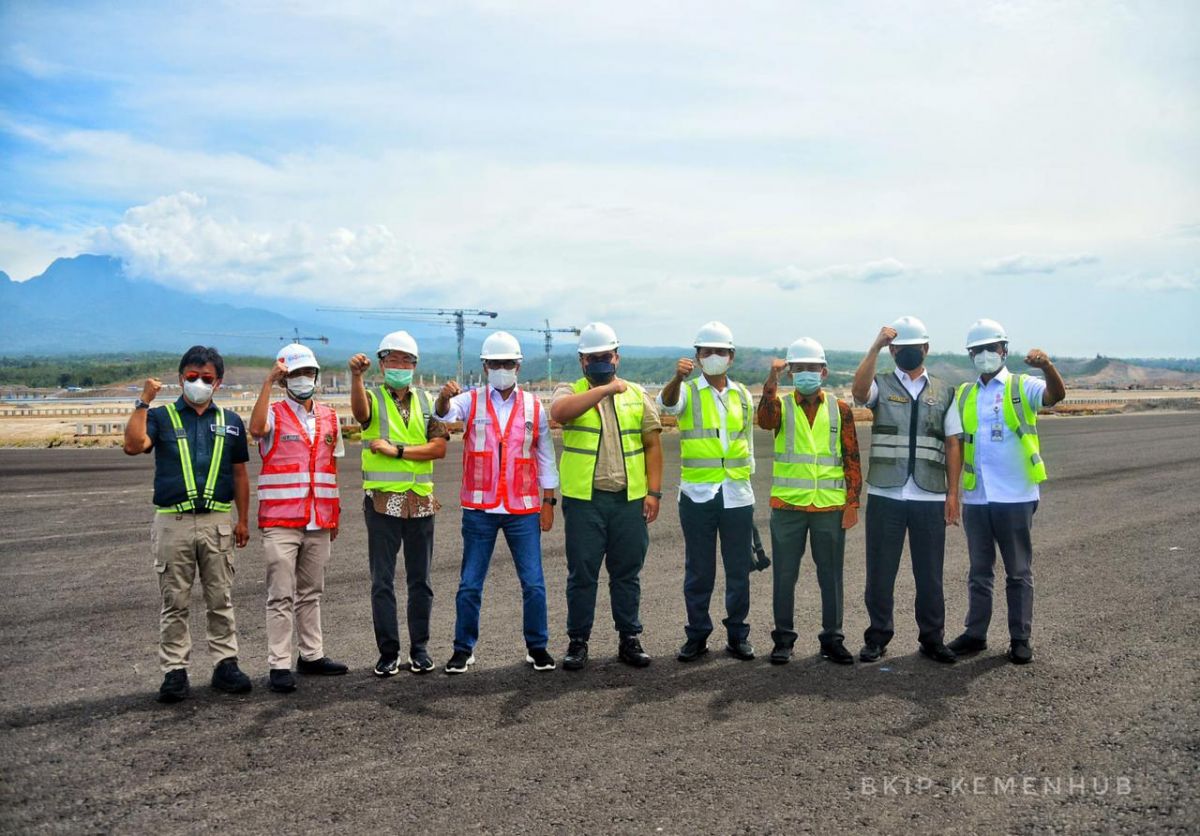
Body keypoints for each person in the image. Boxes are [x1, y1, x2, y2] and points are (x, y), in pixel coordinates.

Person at [123, 345, 253, 703]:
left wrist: (243, 520)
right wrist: (142, 402)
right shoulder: (161, 417)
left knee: (220, 598)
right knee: (174, 600)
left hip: (217, 521)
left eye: (206, 378)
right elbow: (134, 445)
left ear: (219, 382)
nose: (198, 383)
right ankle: (175, 671)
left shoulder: (231, 422)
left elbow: (240, 473)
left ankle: (225, 664)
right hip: (173, 522)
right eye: (191, 377)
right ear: (180, 378)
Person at [434, 332, 560, 674]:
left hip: (523, 509)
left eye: (507, 363)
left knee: (533, 583)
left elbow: (545, 456)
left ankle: (538, 647)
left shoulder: (535, 406)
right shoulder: (470, 401)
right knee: (470, 584)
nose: (501, 369)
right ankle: (463, 648)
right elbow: (443, 416)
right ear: (485, 366)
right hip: (480, 509)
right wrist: (443, 399)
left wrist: (549, 500)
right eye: (495, 364)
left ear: (518, 366)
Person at [946, 319, 1066, 665]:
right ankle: (975, 633)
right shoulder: (966, 394)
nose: (985, 355)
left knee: (1017, 570)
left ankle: (1020, 637)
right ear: (970, 355)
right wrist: (953, 493)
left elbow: (1054, 397)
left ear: (1004, 351)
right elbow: (954, 443)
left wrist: (1047, 366)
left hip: (1015, 495)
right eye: (977, 350)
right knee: (979, 571)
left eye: (991, 348)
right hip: (979, 497)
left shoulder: (1020, 386)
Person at [550, 322, 664, 670]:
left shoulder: (636, 394)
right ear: (582, 361)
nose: (601, 362)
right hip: (586, 501)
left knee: (627, 573)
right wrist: (604, 391)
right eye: (593, 357)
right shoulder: (569, 390)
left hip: (628, 500)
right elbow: (559, 414)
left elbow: (652, 445)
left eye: (606, 356)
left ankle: (629, 638)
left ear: (617, 356)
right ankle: (578, 642)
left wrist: (653, 492)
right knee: (582, 574)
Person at [850, 316, 962, 664]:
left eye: (912, 349)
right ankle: (877, 637)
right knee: (880, 572)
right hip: (887, 494)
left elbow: (953, 443)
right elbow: (857, 393)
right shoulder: (880, 384)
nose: (906, 354)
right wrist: (874, 347)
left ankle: (932, 638)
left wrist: (953, 493)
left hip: (929, 495)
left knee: (930, 574)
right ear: (892, 351)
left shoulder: (944, 391)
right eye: (899, 349)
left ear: (926, 350)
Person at [248, 343, 349, 694]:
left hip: (318, 519)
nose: (303, 379)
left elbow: (330, 467)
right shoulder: (273, 413)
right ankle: (278, 663)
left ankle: (311, 655)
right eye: (295, 374)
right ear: (283, 379)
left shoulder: (329, 417)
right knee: (280, 595)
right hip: (281, 521)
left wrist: (333, 515)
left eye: (308, 373)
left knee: (311, 592)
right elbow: (257, 430)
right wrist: (266, 383)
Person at [349, 331, 449, 677]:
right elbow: (360, 413)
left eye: (406, 360)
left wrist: (398, 450)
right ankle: (388, 652)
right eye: (393, 360)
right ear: (382, 363)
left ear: (415, 365)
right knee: (383, 581)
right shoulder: (372, 398)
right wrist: (356, 377)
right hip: (382, 504)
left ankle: (419, 649)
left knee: (420, 580)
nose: (400, 366)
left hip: (420, 503)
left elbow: (439, 447)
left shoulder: (426, 401)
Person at [757, 337, 861, 665]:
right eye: (799, 368)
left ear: (824, 371)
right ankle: (783, 640)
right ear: (790, 374)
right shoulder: (781, 406)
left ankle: (833, 638)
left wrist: (853, 503)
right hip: (789, 506)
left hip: (829, 507)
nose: (806, 374)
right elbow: (765, 420)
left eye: (812, 368)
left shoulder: (840, 409)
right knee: (785, 576)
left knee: (830, 576)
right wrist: (771, 380)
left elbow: (851, 456)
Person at [658, 321, 757, 662]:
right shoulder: (686, 390)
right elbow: (667, 405)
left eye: (720, 352)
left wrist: (748, 481)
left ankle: (737, 634)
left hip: (737, 494)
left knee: (738, 569)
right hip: (699, 494)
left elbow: (748, 441)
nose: (714, 357)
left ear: (731, 356)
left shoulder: (743, 395)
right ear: (697, 357)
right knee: (700, 570)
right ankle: (697, 634)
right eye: (707, 352)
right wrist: (676, 378)